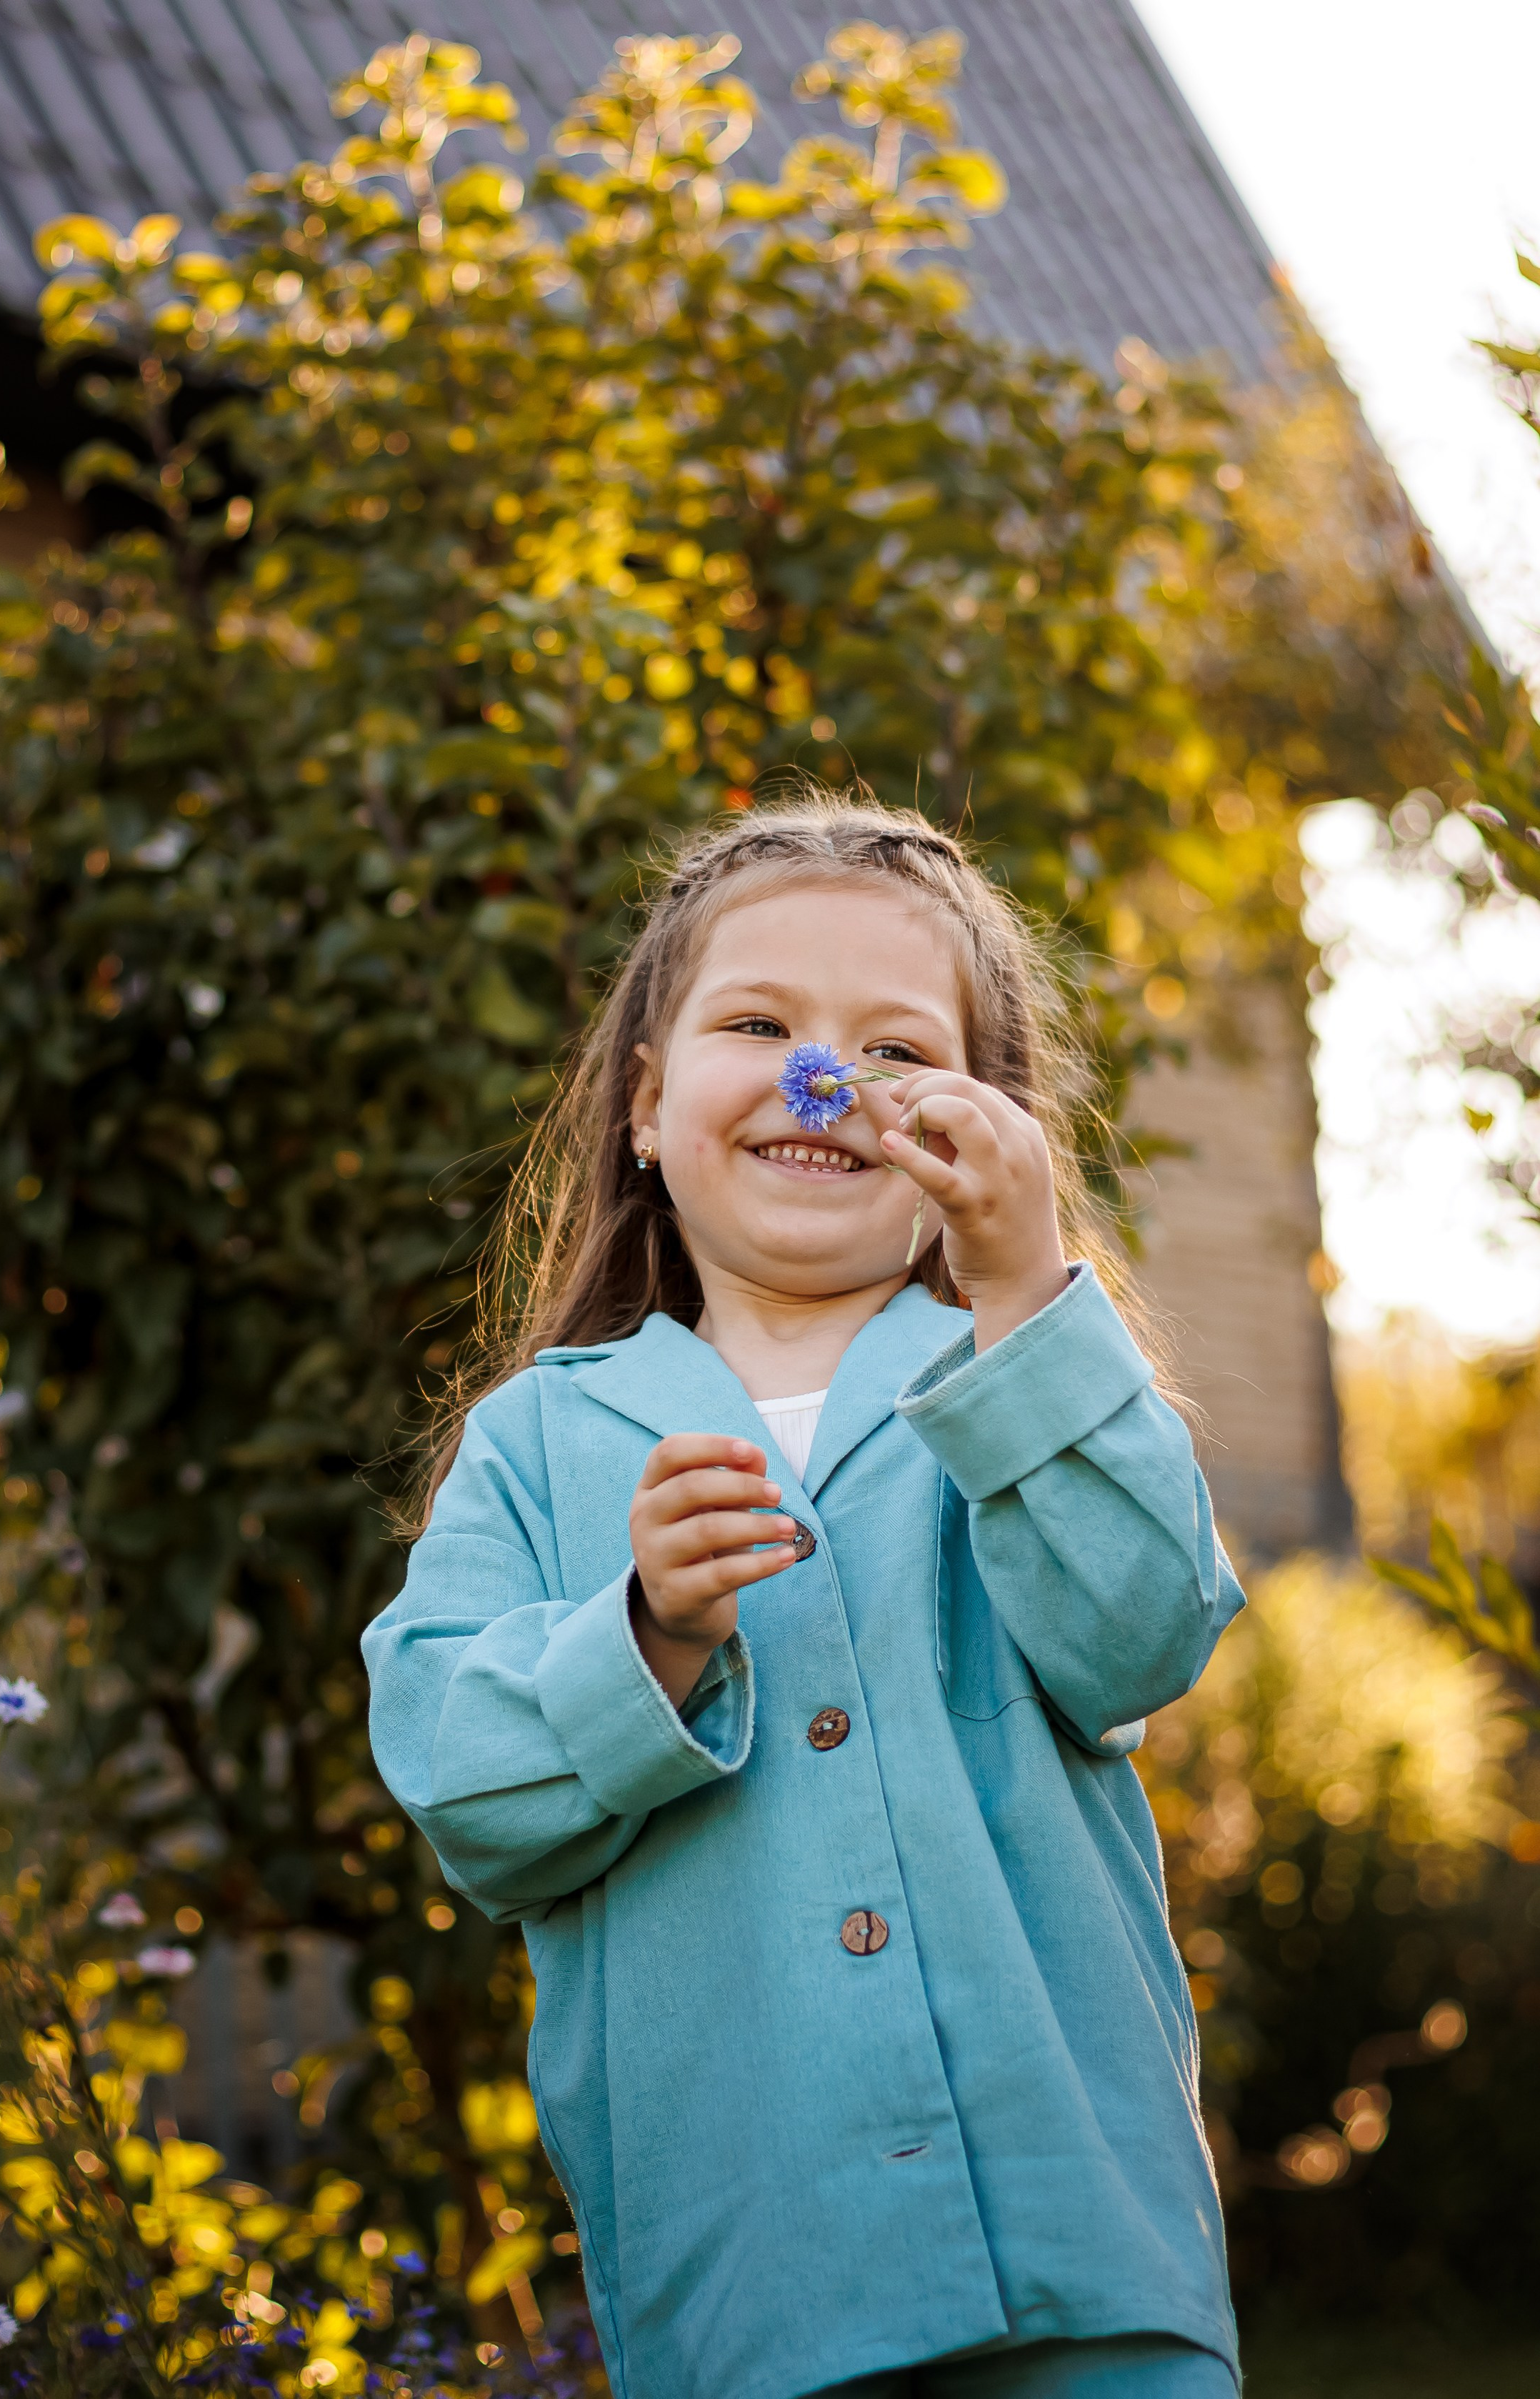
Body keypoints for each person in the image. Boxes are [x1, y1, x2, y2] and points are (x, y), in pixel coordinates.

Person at [364, 792, 1246, 2399]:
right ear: (643, 1104)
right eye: (757, 1021)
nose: (820, 1076)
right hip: (756, 2292)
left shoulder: (1025, 1372)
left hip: (1085, 2273)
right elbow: (464, 1783)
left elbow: (1142, 1632)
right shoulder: (542, 1442)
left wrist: (1027, 1284)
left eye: (895, 1051)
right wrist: (642, 1637)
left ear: (986, 1129)